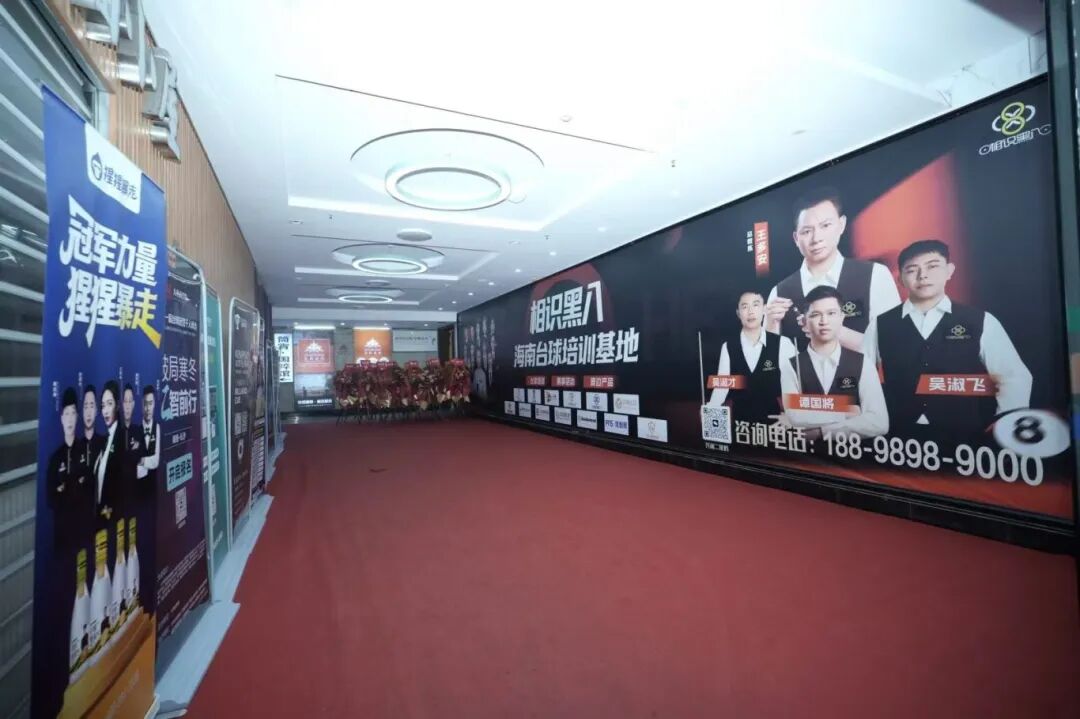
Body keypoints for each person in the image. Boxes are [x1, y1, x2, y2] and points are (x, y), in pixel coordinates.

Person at [863, 239, 1032, 440]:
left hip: (965, 437)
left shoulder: (980, 320)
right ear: (900, 279)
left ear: (949, 271)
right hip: (896, 436)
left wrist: (1005, 422)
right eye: (912, 270)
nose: (922, 275)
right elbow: (861, 375)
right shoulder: (880, 324)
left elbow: (1013, 375)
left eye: (932, 266)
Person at [765, 187, 900, 351]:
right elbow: (768, 362)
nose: (816, 238)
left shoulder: (876, 275)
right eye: (806, 231)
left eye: (825, 225)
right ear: (796, 238)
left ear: (841, 225)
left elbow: (894, 347)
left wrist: (835, 332)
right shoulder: (779, 293)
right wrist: (770, 327)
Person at [780, 286, 889, 439]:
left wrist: (822, 432)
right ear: (805, 321)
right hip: (806, 453)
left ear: (841, 317)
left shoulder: (863, 363)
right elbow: (794, 417)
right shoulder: (791, 365)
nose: (824, 321)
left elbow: (879, 422)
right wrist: (849, 412)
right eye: (816, 315)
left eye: (831, 313)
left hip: (854, 453)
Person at [706, 291, 796, 424]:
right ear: (738, 313)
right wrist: (710, 410)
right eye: (745, 306)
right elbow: (722, 386)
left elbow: (794, 386)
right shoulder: (729, 346)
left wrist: (793, 417)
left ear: (764, 309)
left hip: (775, 424)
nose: (750, 311)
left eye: (755, 305)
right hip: (741, 424)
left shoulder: (783, 343)